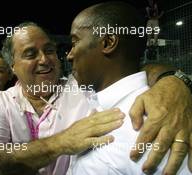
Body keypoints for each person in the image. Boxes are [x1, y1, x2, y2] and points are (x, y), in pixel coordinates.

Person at [0, 21, 192, 175]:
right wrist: (60, 143)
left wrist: (173, 81)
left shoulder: (82, 86)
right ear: (12, 66)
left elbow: (131, 70)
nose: (44, 60)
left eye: (50, 50)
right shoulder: (1, 102)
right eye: (30, 54)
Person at [64, 1, 191, 174]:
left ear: (108, 42)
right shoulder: (100, 100)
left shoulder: (153, 125)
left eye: (75, 42)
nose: (70, 55)